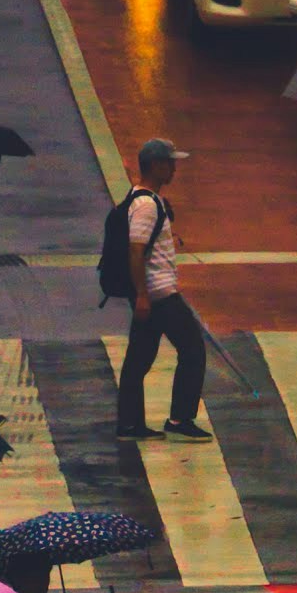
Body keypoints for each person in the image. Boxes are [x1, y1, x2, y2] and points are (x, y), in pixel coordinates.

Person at [112, 137, 207, 442]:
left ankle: (130, 424)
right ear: (155, 166)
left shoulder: (144, 199)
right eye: (169, 163)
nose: (174, 169)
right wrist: (142, 295)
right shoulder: (146, 206)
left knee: (139, 359)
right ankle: (180, 419)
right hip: (159, 294)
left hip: (150, 294)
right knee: (193, 349)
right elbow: (135, 250)